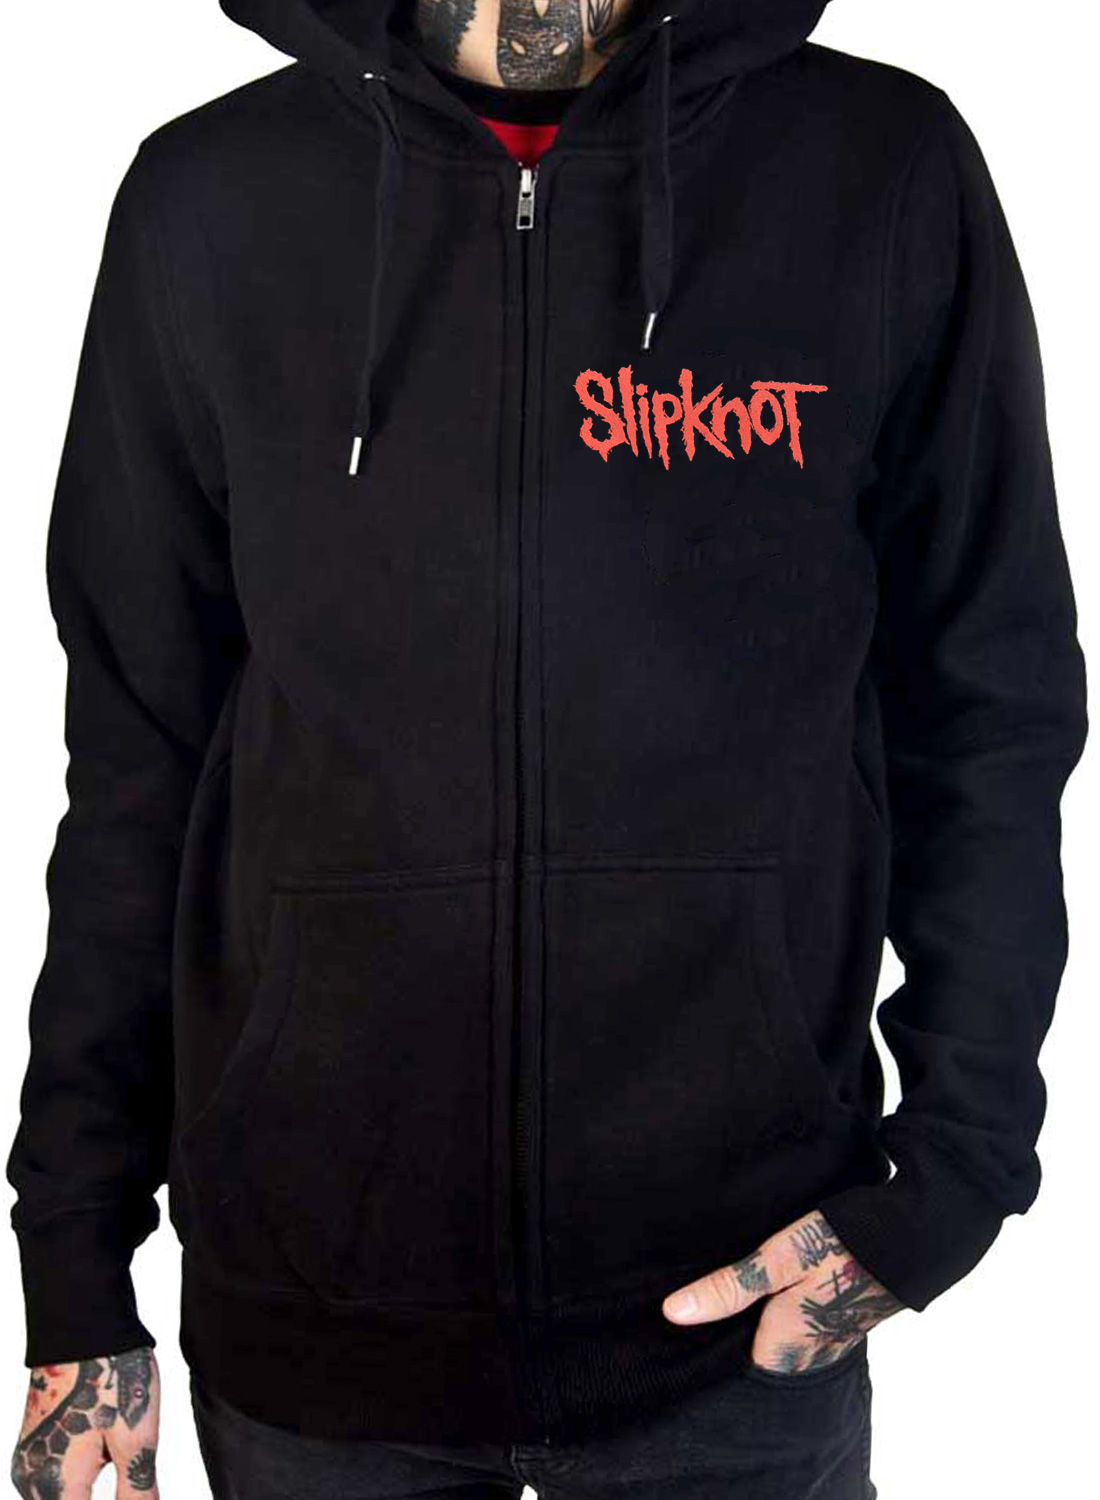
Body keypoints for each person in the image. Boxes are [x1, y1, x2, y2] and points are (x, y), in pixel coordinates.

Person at [5, 1, 1088, 1496]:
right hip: (314, 1326)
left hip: (738, 1318)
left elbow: (989, 702)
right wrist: (75, 1263)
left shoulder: (877, 166)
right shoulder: (210, 197)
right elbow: (135, 756)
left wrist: (958, 1173)